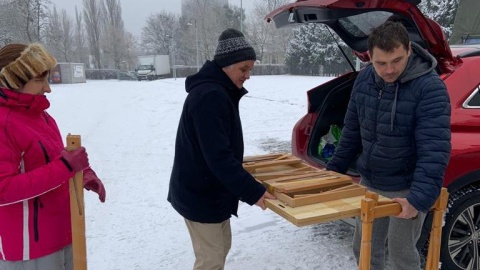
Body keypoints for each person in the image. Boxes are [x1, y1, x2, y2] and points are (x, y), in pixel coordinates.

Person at [326, 21, 451, 269]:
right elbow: (352, 132)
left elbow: (434, 150)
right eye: (381, 63)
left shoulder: (429, 87)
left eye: (396, 61)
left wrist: (417, 199)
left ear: (408, 50)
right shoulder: (364, 81)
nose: (389, 70)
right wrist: (331, 173)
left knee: (400, 255)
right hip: (372, 182)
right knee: (364, 249)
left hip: (407, 186)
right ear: (370, 57)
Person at [168, 28, 275, 270]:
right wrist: (253, 191)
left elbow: (220, 151)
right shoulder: (210, 96)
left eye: (250, 69)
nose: (248, 75)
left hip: (210, 192)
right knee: (211, 261)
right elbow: (218, 158)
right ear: (227, 65)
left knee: (220, 248)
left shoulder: (220, 91)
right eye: (244, 69)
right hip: (200, 194)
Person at [0, 43, 106, 270]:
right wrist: (66, 167)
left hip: (62, 233)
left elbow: (55, 158)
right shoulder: (3, 123)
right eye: (39, 80)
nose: (47, 88)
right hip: (29, 251)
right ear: (14, 80)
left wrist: (82, 173)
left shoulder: (40, 115)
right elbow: (3, 189)